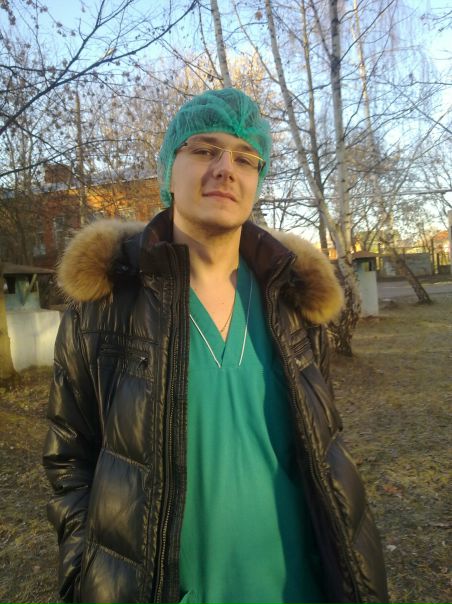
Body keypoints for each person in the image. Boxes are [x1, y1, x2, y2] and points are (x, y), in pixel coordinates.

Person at [43, 87, 388, 604]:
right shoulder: (104, 307)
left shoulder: (291, 300)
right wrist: (85, 570)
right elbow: (68, 460)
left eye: (246, 158)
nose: (226, 168)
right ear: (168, 170)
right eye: (205, 149)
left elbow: (323, 449)